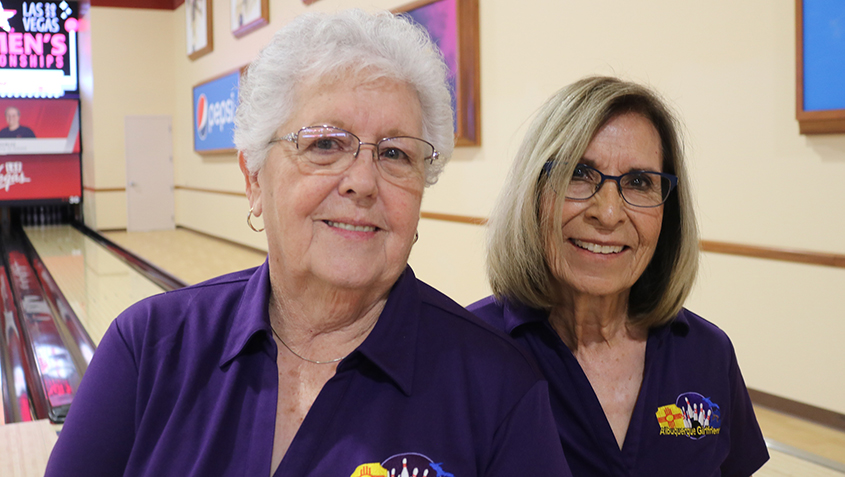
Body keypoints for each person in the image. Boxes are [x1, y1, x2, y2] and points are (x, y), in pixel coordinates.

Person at [45, 10, 571, 477]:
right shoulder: (147, 349)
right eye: (324, 144)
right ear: (253, 178)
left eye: (395, 154)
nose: (362, 181)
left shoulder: (500, 387)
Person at [469, 76, 769, 476]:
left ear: (668, 212)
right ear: (534, 191)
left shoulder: (707, 353)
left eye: (640, 182)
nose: (607, 213)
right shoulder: (469, 353)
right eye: (578, 173)